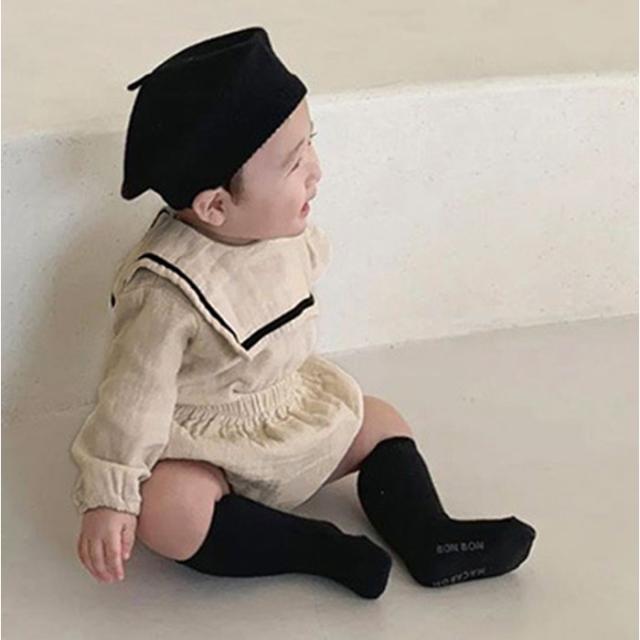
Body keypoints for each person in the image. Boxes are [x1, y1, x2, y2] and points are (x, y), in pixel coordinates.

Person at [70, 26, 536, 600]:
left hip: (288, 409)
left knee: (382, 420)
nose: (317, 170)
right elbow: (131, 400)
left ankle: (429, 535)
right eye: (294, 164)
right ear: (215, 205)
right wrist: (109, 496)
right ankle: (319, 548)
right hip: (211, 451)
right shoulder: (167, 293)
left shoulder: (279, 231)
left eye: (310, 143)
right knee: (169, 513)